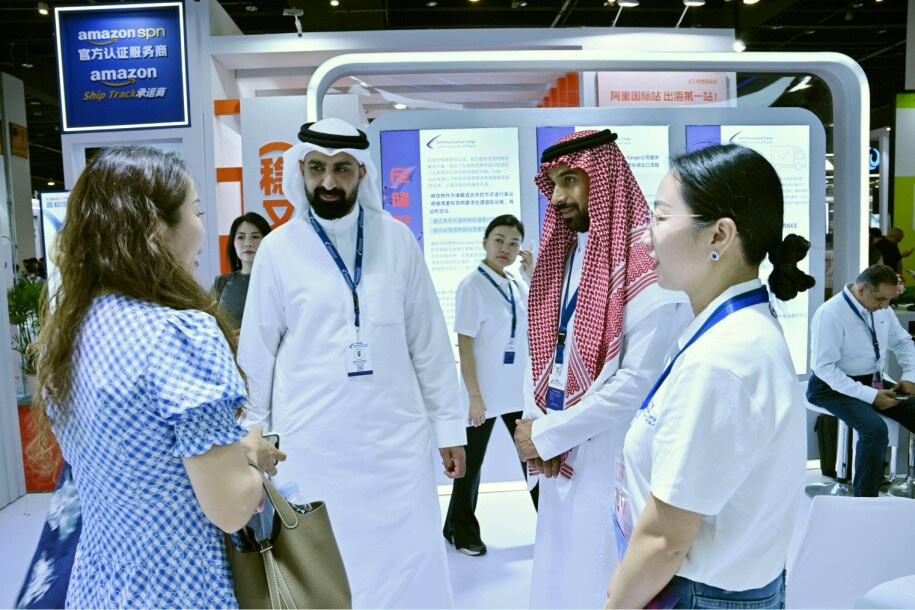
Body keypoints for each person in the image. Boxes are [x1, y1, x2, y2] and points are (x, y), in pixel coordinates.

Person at [27, 146, 284, 608]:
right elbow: (229, 508)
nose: (204, 231)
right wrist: (250, 455)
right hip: (179, 589)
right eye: (196, 212)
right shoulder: (179, 334)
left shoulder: (72, 331)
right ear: (153, 228)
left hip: (97, 584)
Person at [238, 118, 466, 608]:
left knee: (409, 560)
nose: (328, 183)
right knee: (326, 566)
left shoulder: (398, 239)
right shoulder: (279, 248)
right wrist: (253, 437)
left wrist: (449, 426)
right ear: (300, 169)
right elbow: (256, 354)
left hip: (396, 448)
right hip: (313, 446)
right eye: (317, 168)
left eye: (342, 170)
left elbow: (427, 341)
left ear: (362, 172)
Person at [606, 143, 814, 609]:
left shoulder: (724, 358)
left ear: (719, 235)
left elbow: (666, 539)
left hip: (697, 596)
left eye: (660, 219)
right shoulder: (729, 330)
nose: (644, 238)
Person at [513, 129, 691, 608]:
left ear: (604, 179)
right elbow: (544, 350)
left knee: (598, 577)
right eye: (552, 183)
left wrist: (550, 434)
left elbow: (635, 383)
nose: (559, 196)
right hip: (561, 452)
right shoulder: (568, 254)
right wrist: (540, 430)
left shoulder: (650, 265)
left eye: (571, 180)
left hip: (612, 453)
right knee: (557, 574)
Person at [442, 214, 537, 557]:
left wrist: (530, 274)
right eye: (499, 240)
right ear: (485, 242)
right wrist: (475, 396)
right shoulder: (472, 286)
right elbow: (464, 346)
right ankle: (462, 530)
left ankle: (552, 525)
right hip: (481, 394)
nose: (506, 248)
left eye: (513, 243)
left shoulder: (516, 285)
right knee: (470, 466)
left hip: (515, 393)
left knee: (533, 459)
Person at [807, 264, 915, 497]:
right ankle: (865, 500)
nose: (885, 306)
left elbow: (903, 343)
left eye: (889, 299)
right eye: (880, 299)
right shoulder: (831, 313)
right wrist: (871, 396)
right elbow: (824, 368)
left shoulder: (881, 308)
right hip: (830, 386)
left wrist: (909, 377)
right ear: (862, 289)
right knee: (874, 430)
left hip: (872, 381)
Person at [210, 212, 271, 326]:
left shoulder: (278, 282)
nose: (248, 243)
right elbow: (207, 326)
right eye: (241, 237)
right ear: (233, 243)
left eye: (255, 237)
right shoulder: (220, 283)